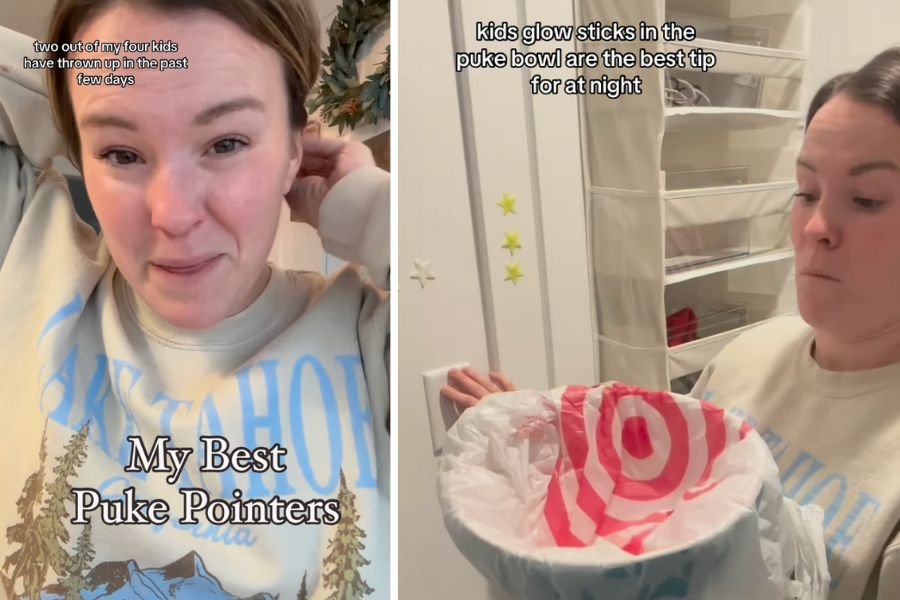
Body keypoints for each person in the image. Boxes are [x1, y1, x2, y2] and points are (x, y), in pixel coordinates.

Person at [443, 51, 900, 600]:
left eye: (866, 200)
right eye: (806, 192)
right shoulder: (751, 352)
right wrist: (547, 446)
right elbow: (665, 498)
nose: (815, 226)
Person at [0, 0, 388, 597]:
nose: (174, 214)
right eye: (121, 154)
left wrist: (369, 211)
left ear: (295, 148)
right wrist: (76, 88)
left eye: (226, 143)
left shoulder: (374, 342)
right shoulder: (24, 255)